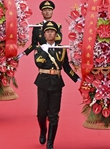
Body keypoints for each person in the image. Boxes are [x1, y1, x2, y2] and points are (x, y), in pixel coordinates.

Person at [33, 20, 78, 149]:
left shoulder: (61, 50)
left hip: (57, 83)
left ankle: (50, 142)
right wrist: (44, 51)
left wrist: (78, 79)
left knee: (54, 114)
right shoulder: (40, 48)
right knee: (41, 114)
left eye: (52, 31)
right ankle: (43, 130)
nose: (50, 33)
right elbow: (39, 63)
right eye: (47, 32)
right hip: (43, 82)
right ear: (44, 35)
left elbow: (66, 68)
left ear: (56, 34)